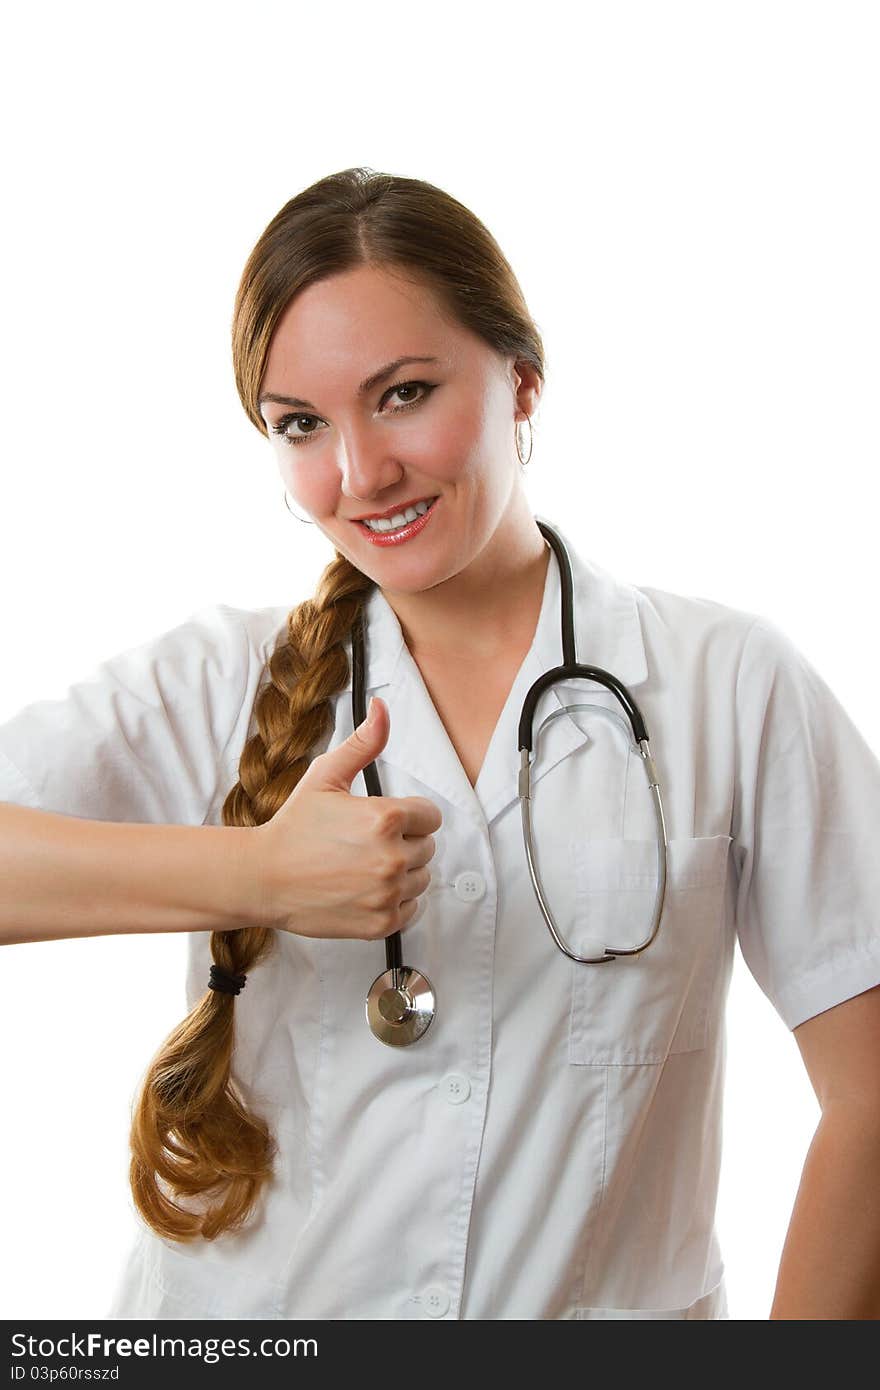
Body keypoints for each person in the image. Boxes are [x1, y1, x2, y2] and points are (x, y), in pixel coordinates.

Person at [1, 166, 879, 1322]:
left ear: (522, 380)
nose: (360, 475)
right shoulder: (220, 678)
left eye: (405, 393)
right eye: (300, 424)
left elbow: (867, 1094)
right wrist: (254, 872)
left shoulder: (731, 683)